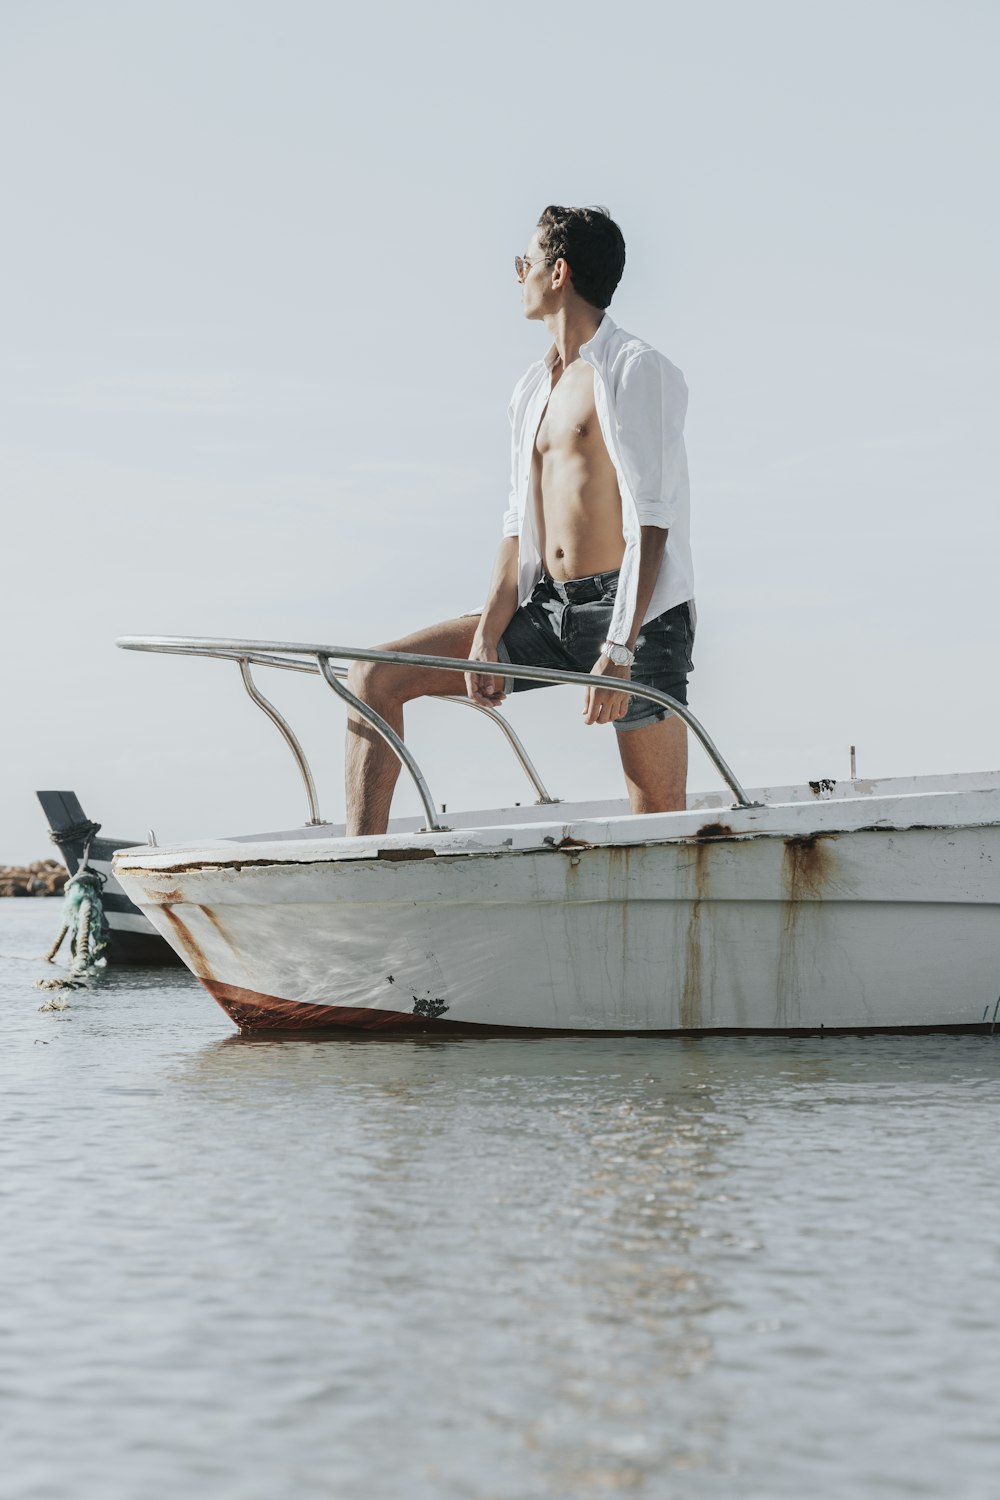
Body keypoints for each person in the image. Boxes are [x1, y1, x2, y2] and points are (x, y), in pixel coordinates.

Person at [344, 204, 694, 836]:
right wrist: (489, 633)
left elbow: (652, 521)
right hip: (544, 610)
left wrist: (620, 649)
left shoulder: (636, 369)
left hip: (633, 620)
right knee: (374, 675)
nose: (519, 276)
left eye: (524, 262)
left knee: (659, 830)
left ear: (557, 273)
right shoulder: (532, 387)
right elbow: (517, 523)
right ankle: (358, 869)